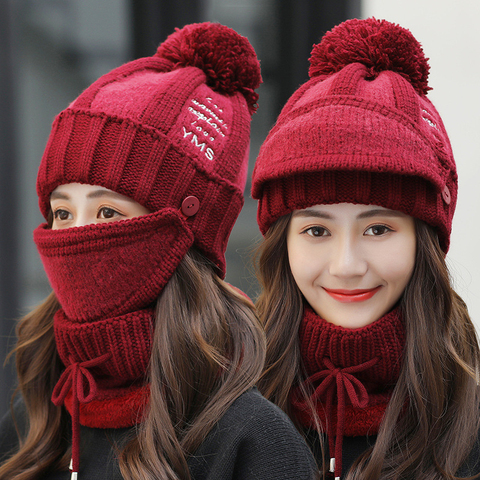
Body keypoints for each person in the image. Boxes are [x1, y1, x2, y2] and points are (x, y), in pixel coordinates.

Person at [0, 22, 318, 480]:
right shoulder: (30, 430)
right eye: (62, 213)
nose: (77, 235)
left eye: (108, 213)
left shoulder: (250, 442)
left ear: (185, 235)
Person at [251, 17, 480, 480]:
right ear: (283, 243)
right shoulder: (225, 408)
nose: (347, 265)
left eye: (378, 229)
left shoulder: (470, 420)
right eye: (317, 231)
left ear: (425, 240)